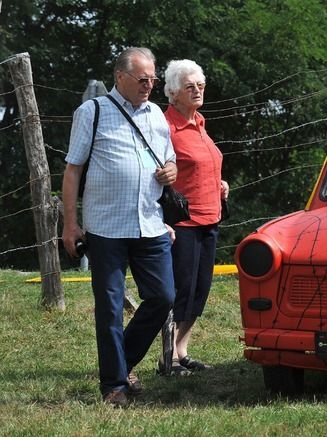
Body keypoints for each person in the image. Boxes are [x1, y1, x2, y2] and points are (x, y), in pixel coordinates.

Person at [62, 47, 178, 407]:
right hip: (106, 227)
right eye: (142, 79)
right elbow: (72, 170)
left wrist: (171, 169)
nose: (149, 85)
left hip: (150, 223)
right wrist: (70, 224)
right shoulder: (92, 112)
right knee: (110, 307)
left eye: (153, 79)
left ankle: (122, 362)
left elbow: (168, 155)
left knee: (163, 297)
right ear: (120, 77)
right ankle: (114, 385)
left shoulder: (157, 113)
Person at [161, 59, 228, 375]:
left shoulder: (199, 122)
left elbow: (202, 166)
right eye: (189, 86)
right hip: (182, 223)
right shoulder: (166, 127)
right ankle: (167, 358)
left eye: (200, 85)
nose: (197, 90)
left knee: (200, 291)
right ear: (173, 93)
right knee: (181, 291)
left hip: (209, 219)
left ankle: (181, 351)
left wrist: (220, 183)